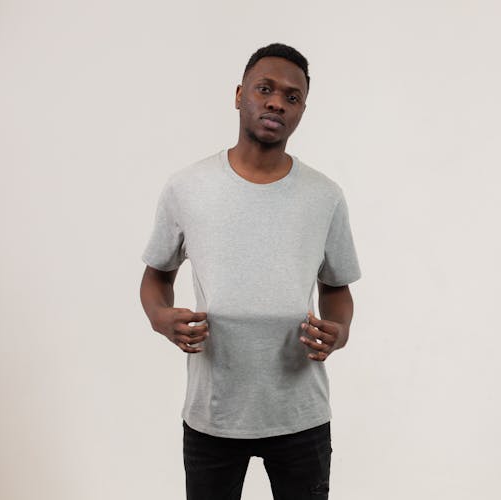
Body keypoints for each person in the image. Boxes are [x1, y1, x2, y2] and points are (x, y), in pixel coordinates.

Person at [139, 42, 361, 500]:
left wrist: (339, 330)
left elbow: (336, 287)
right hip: (213, 412)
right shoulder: (188, 187)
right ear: (240, 95)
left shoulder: (325, 196)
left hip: (300, 413)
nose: (278, 101)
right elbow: (156, 276)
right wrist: (160, 318)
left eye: (292, 96)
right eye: (265, 89)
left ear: (301, 111)